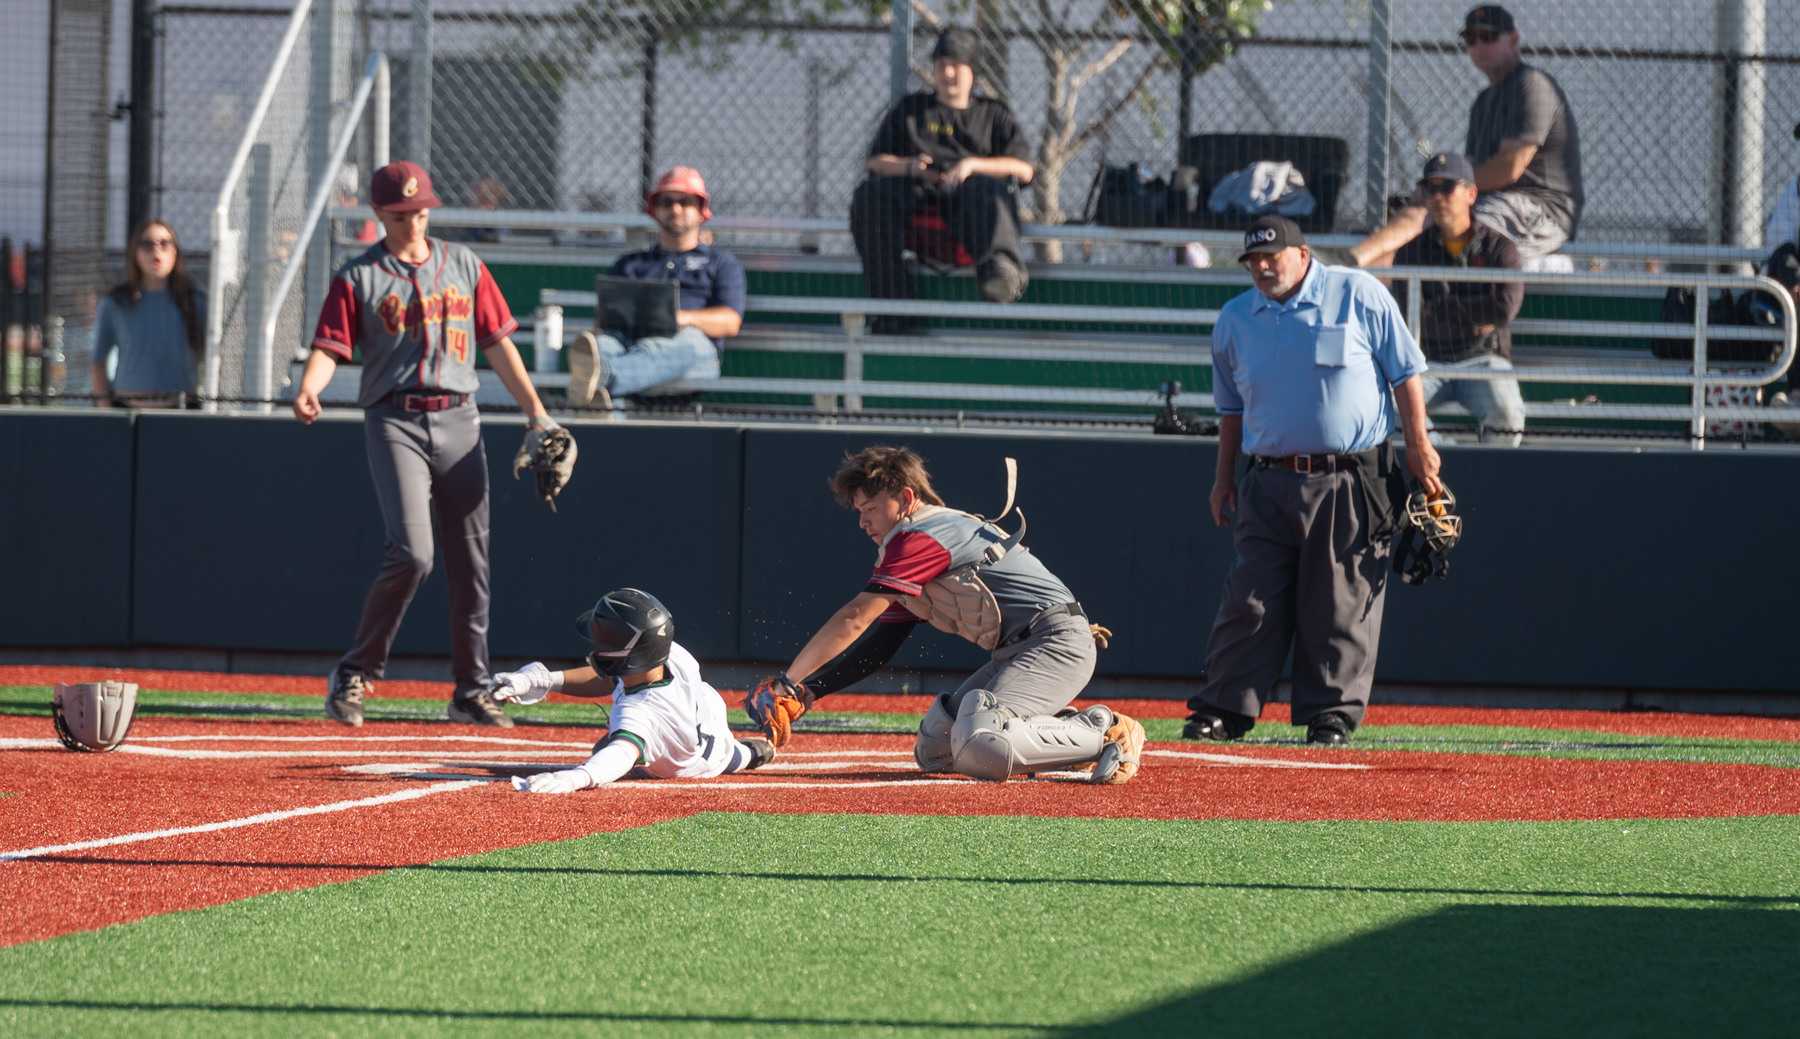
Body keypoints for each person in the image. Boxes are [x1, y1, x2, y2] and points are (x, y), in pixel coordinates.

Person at [293, 160, 562, 729]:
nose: (414, 220)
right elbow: (329, 345)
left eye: (421, 211)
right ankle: (356, 671)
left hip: (461, 418)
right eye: (401, 213)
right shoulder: (359, 276)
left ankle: (470, 689)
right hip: (395, 419)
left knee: (472, 561)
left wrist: (536, 413)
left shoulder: (462, 263)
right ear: (379, 215)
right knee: (413, 553)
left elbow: (498, 344)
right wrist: (309, 388)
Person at [742, 445, 1145, 784]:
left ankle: (1107, 732)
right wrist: (810, 692)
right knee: (935, 749)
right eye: (858, 511)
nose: (862, 521)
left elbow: (854, 619)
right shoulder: (912, 538)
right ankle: (1066, 734)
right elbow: (882, 644)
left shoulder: (921, 536)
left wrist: (787, 682)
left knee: (979, 742)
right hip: (1021, 651)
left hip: (1056, 643)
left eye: (870, 508)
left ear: (904, 498)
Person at [1186, 216, 1442, 747]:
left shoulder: (1358, 292)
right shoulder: (1235, 318)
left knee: (1340, 600)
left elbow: (1405, 373)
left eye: (1271, 257)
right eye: (1252, 260)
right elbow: (1230, 410)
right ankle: (1224, 708)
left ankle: (1332, 712)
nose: (1260, 267)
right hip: (1267, 479)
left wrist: (1419, 446)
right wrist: (1222, 477)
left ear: (1303, 254)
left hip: (1347, 477)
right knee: (1248, 599)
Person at [1351, 6, 1582, 272]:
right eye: (1472, 39)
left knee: (1451, 223)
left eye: (1489, 37)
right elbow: (1469, 166)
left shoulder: (1532, 86)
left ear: (1514, 39)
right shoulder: (1484, 101)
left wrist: (1447, 188)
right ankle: (1350, 265)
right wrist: (1435, 189)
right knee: (1427, 211)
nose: (1479, 46)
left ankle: (1369, 277)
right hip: (1493, 202)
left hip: (1541, 210)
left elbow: (1508, 168)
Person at [492, 588, 776, 793]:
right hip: (706, 707)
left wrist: (579, 777)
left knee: (607, 749)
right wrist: (542, 680)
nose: (595, 649)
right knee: (627, 735)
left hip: (701, 760)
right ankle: (752, 752)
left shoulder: (639, 712)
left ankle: (750, 754)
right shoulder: (671, 654)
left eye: (602, 645)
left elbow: (622, 753)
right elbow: (612, 676)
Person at [851, 26, 1034, 333]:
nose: (948, 73)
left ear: (971, 70)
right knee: (868, 196)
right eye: (941, 65)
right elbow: (876, 161)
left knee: (990, 191)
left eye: (956, 65)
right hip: (917, 192)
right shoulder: (912, 110)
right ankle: (894, 307)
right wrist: (909, 167)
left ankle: (1001, 274)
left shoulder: (993, 114)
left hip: (968, 198)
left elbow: (1024, 169)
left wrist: (972, 165)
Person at [565, 166, 745, 412]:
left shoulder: (721, 263)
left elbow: (730, 322)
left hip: (691, 353)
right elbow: (602, 323)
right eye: (667, 202)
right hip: (629, 341)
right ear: (655, 210)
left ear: (701, 211)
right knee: (603, 346)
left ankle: (603, 375)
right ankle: (604, 427)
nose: (675, 209)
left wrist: (679, 318)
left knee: (682, 343)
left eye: (685, 202)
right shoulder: (629, 264)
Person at [1388, 153, 1527, 446]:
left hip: (1483, 360)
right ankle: (1444, 464)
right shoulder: (1410, 252)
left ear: (1471, 193)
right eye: (1430, 188)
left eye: (1447, 187)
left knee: (1507, 415)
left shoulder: (1499, 248)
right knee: (1385, 406)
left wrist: (1440, 308)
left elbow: (1503, 311)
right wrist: (1475, 317)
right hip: (1427, 363)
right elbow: (1410, 319)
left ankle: (1487, 481)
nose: (1438, 196)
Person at [91, 220, 206, 408]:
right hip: (128, 412)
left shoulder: (196, 300)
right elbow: (97, 362)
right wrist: (106, 409)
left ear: (175, 252)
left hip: (181, 413)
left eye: (164, 244)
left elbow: (215, 355)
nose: (156, 251)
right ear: (135, 254)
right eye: (147, 244)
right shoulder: (115, 303)